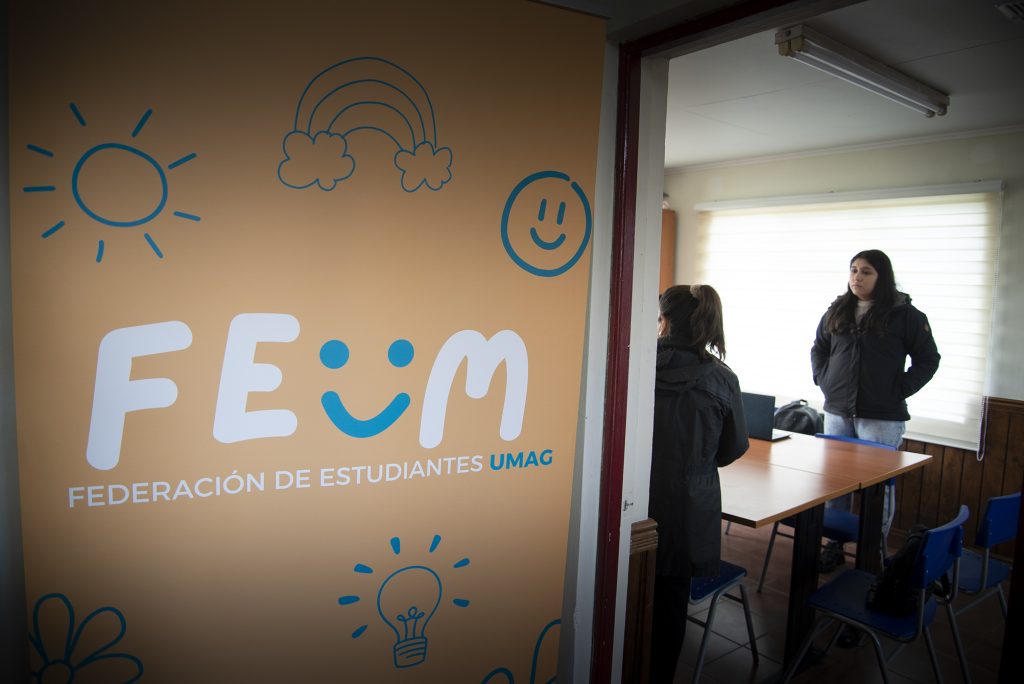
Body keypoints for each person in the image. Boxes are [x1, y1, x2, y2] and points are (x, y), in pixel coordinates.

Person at [811, 249, 940, 572]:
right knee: (836, 481)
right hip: (838, 410)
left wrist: (898, 389)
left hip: (881, 417)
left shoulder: (905, 315)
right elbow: (819, 348)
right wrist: (824, 380)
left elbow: (928, 360)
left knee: (877, 486)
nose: (857, 277)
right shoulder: (837, 310)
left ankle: (872, 551)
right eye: (853, 270)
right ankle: (834, 546)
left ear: (882, 277)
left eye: (866, 271)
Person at [649, 284, 749, 683]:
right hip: (687, 508)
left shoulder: (634, 365)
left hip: (630, 501)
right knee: (671, 605)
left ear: (663, 321)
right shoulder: (722, 379)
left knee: (621, 593)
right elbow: (732, 448)